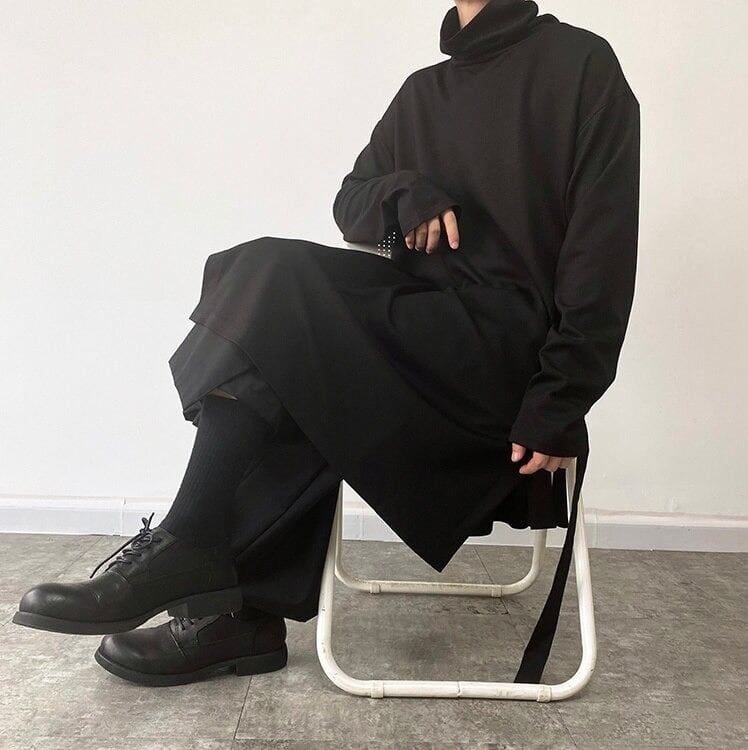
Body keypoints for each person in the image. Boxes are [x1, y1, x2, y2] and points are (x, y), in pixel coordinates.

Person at [13, 0, 639, 687]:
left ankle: (200, 552)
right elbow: (352, 202)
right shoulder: (422, 93)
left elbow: (602, 253)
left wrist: (560, 398)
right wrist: (405, 193)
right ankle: (238, 611)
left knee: (288, 314)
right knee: (265, 278)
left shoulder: (582, 66)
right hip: (421, 334)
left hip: (505, 356)